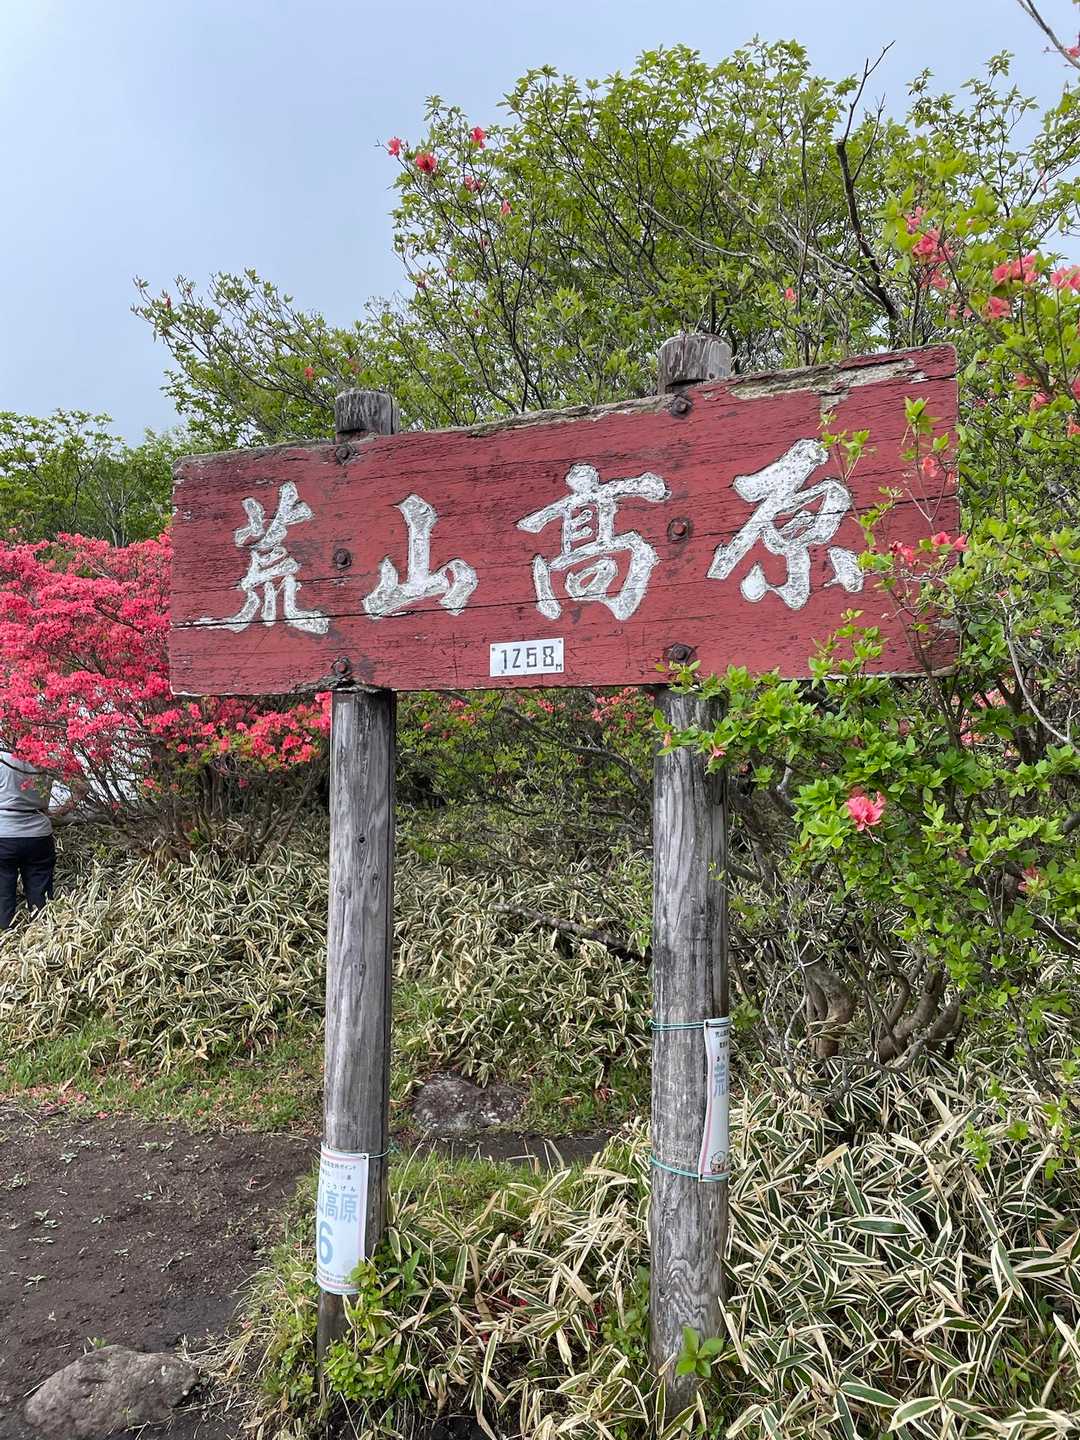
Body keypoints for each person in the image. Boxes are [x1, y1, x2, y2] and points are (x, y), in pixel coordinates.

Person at [0, 750, 58, 930]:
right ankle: (42, 935)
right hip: (39, 835)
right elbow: (82, 787)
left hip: (4, 835)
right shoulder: (48, 757)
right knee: (40, 894)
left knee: (2, 895)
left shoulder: (2, 759)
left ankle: (5, 935)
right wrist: (59, 812)